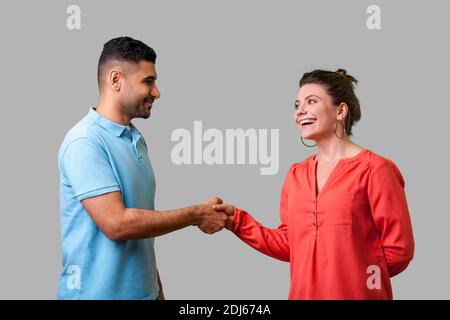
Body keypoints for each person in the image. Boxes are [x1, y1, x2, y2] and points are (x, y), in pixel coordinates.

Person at [214, 69, 415, 299]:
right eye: (297, 104)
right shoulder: (295, 175)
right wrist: (236, 221)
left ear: (340, 110)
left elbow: (399, 250)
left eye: (311, 102)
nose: (300, 111)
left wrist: (355, 279)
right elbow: (290, 243)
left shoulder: (376, 169)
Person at [57, 36, 230, 300]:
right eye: (148, 81)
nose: (157, 92)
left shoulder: (135, 139)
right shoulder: (85, 142)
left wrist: (157, 290)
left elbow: (141, 226)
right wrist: (196, 214)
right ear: (116, 80)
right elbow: (117, 225)